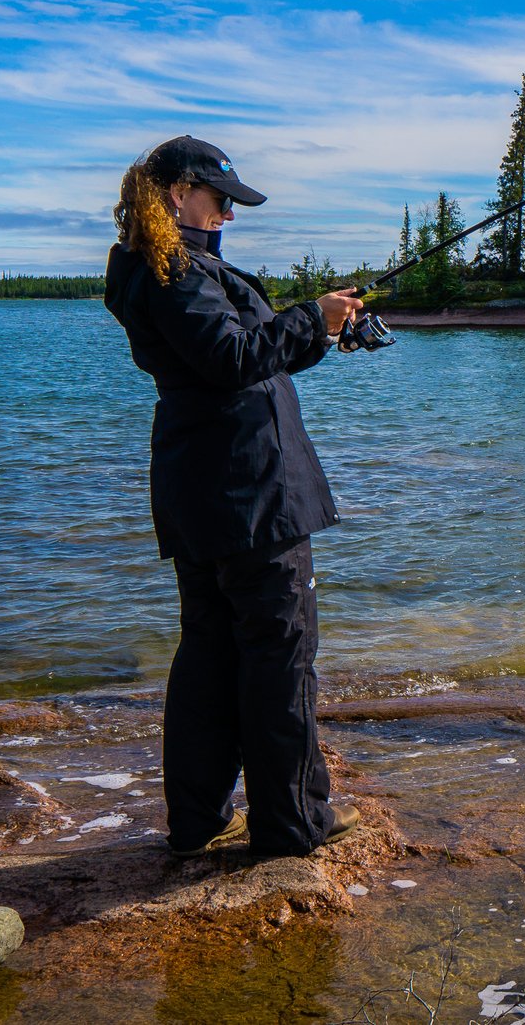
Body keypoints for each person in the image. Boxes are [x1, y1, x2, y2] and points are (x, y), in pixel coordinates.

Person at [103, 135, 364, 858]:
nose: (228, 215)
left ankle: (198, 819)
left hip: (209, 492)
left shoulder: (164, 267)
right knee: (279, 654)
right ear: (180, 193)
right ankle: (290, 825)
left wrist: (321, 327)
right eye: (221, 200)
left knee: (213, 655)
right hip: (251, 493)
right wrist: (312, 316)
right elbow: (233, 359)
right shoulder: (176, 269)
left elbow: (240, 358)